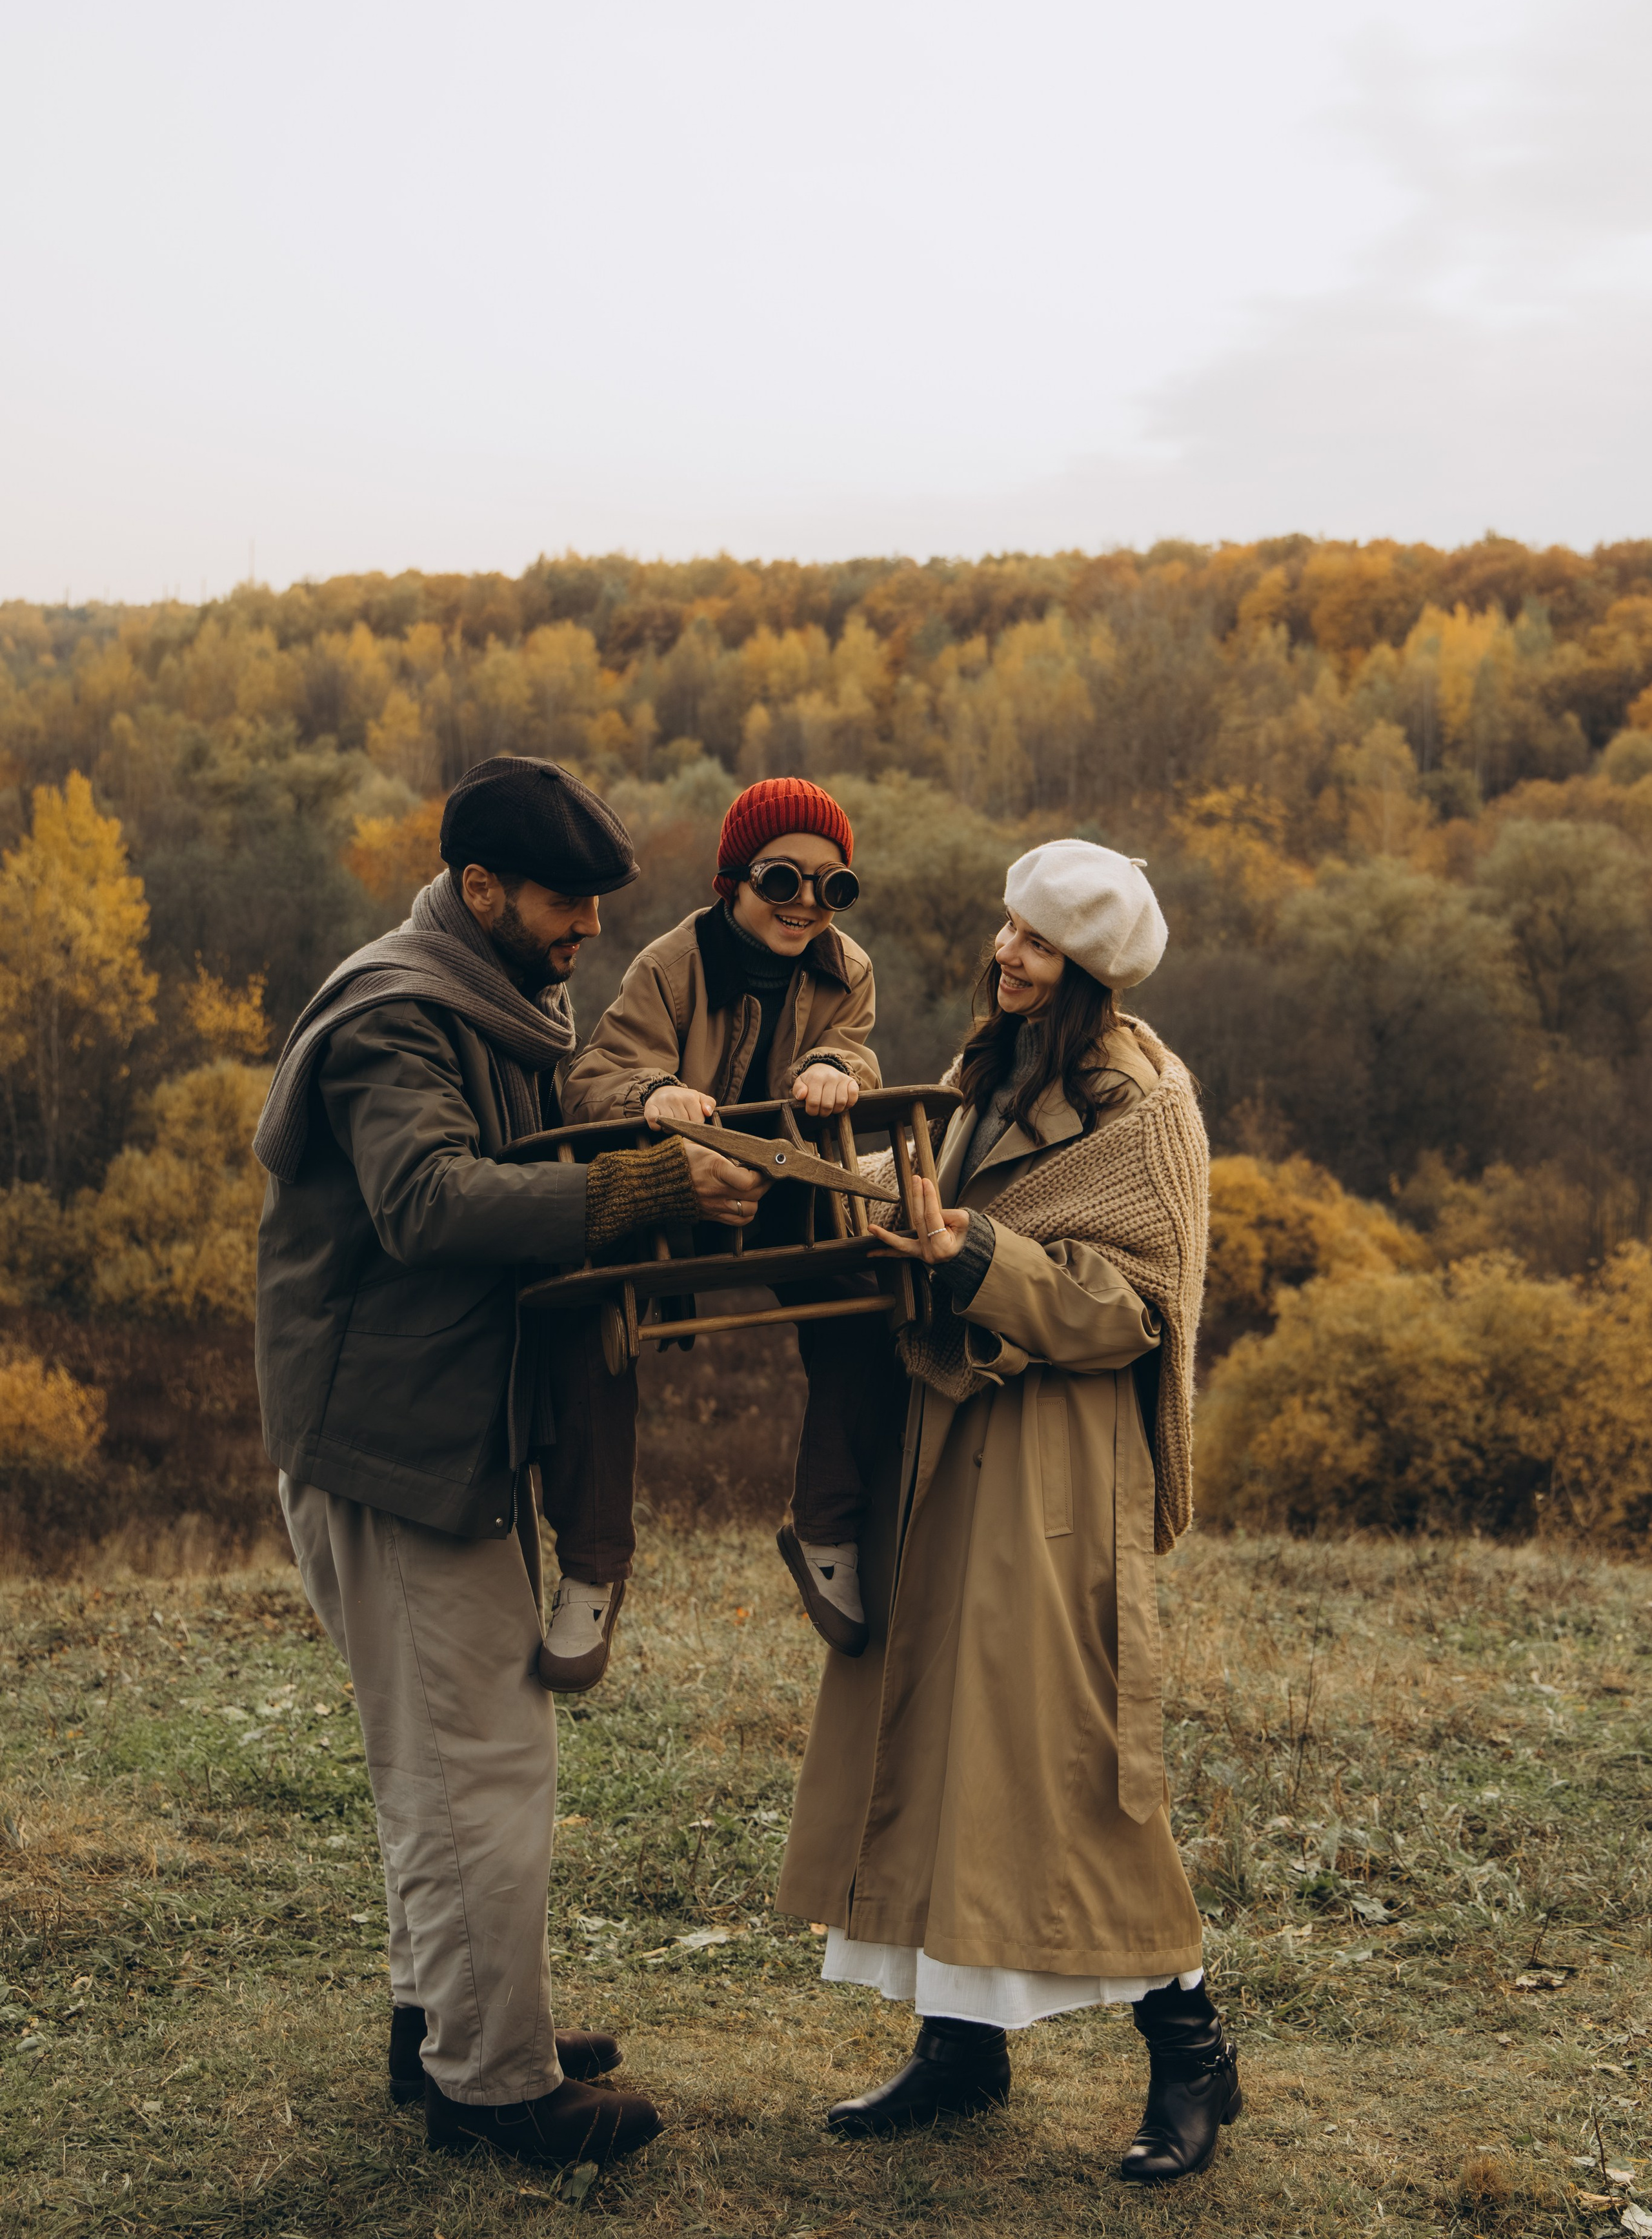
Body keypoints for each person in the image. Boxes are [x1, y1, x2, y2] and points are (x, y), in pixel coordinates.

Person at [252, 755, 765, 2174]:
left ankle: (445, 2023)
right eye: (562, 900)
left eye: (600, 902)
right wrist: (649, 1184)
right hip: (396, 1449)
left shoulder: (499, 1000)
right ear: (477, 888)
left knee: (435, 1763)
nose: (587, 929)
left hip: (432, 1431)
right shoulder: (394, 1017)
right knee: (484, 1763)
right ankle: (494, 2087)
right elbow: (425, 1204)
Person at [776, 838, 1241, 2185]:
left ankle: (1191, 2052)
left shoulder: (1146, 1107)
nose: (1006, 954)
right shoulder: (990, 1070)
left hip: (1053, 1458)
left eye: (1035, 942)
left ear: (1087, 967)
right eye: (1006, 930)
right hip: (948, 1439)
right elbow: (945, 1206)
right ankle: (960, 2048)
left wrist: (971, 1252)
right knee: (939, 1745)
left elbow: (1128, 1309)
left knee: (1077, 1760)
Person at [552, 777, 908, 1674]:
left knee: (871, 1296)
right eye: (781, 881)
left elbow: (852, 1046)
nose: (805, 907)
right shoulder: (672, 965)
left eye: (833, 887)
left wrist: (832, 1065)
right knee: (592, 1323)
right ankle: (593, 1569)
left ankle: (828, 1524)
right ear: (732, 881)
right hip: (678, 1189)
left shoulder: (846, 967)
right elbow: (598, 1073)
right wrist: (653, 1093)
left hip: (785, 1185)